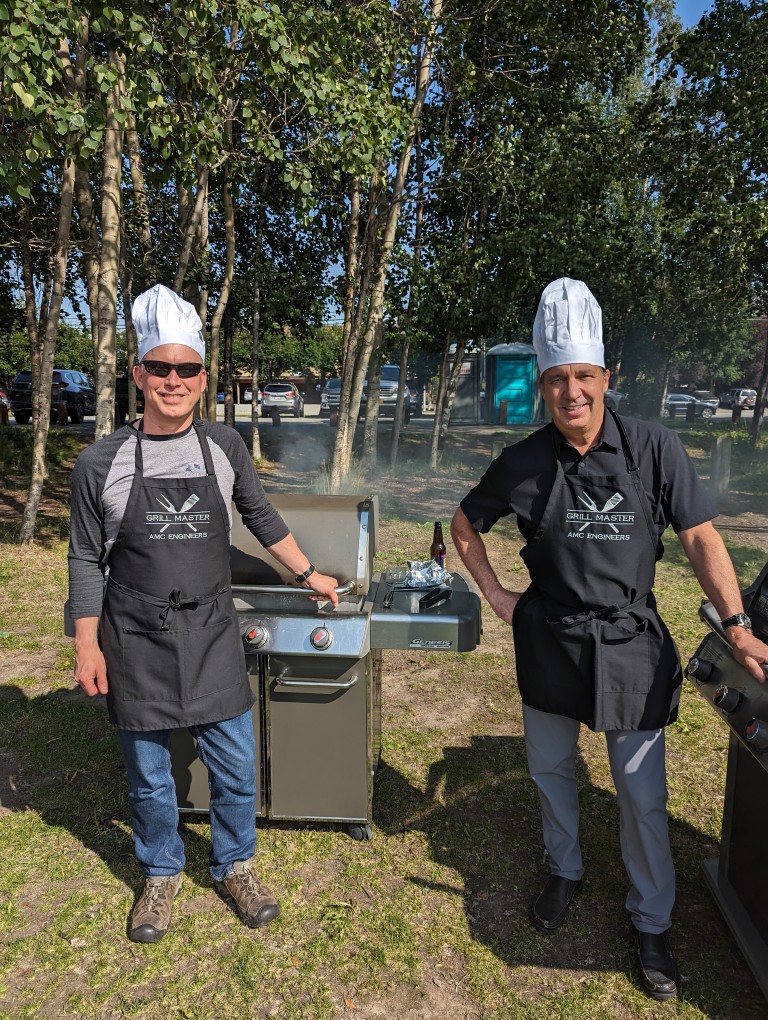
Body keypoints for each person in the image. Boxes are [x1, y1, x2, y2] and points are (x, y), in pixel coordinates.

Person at [451, 277, 768, 1001]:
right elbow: (466, 525)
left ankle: (651, 917)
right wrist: (499, 596)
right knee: (552, 770)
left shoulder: (654, 447)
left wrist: (739, 627)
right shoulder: (522, 461)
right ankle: (564, 870)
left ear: (605, 379)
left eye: (584, 377)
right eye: (558, 379)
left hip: (630, 639)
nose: (572, 392)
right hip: (549, 636)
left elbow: (700, 537)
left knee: (638, 790)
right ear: (543, 384)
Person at [68, 283, 339, 944]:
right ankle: (160, 873)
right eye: (159, 367)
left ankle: (234, 865)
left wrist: (307, 572)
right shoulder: (100, 462)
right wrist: (86, 644)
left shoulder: (223, 448)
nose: (172, 380)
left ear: (203, 377)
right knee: (151, 778)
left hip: (213, 632)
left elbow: (261, 516)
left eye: (185, 368)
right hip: (134, 638)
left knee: (235, 766)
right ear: (138, 374)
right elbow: (82, 558)